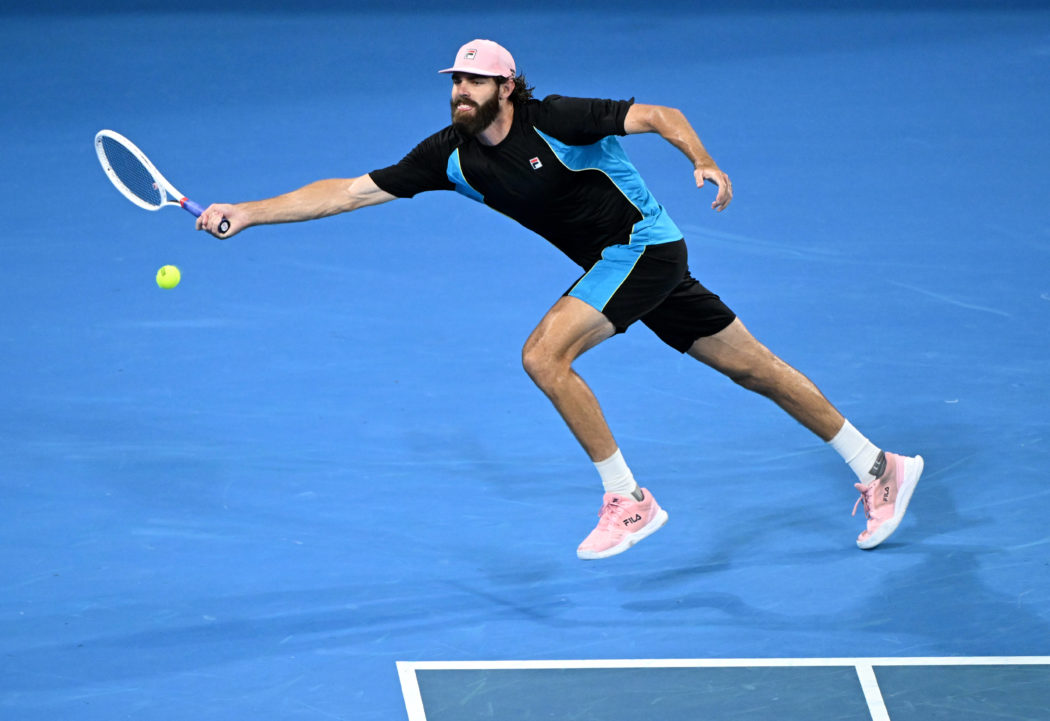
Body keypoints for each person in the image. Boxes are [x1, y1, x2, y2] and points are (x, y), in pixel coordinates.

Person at [197, 39, 923, 560]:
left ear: (507, 87)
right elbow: (350, 190)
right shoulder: (449, 155)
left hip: (644, 248)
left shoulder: (560, 118)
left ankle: (629, 499)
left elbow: (661, 113)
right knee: (756, 368)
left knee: (544, 355)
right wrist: (251, 211)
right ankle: (879, 464)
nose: (461, 93)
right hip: (630, 267)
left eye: (475, 83)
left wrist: (700, 159)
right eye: (455, 81)